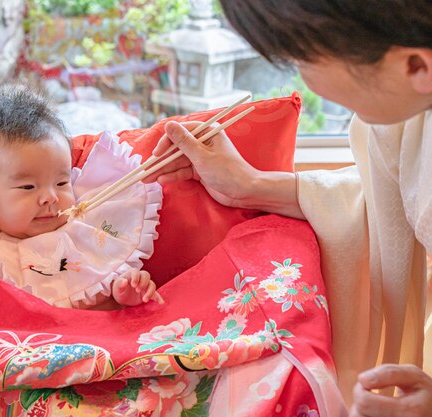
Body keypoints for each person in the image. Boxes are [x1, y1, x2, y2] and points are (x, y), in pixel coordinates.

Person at [144, 1, 432, 415]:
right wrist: (249, 187)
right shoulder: (405, 110)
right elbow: (388, 199)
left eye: (303, 57)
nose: (302, 77)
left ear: (416, 68)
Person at [0, 86, 163, 310]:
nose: (50, 197)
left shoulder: (86, 228)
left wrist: (125, 292)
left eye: (61, 183)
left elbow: (102, 283)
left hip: (96, 337)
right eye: (28, 187)